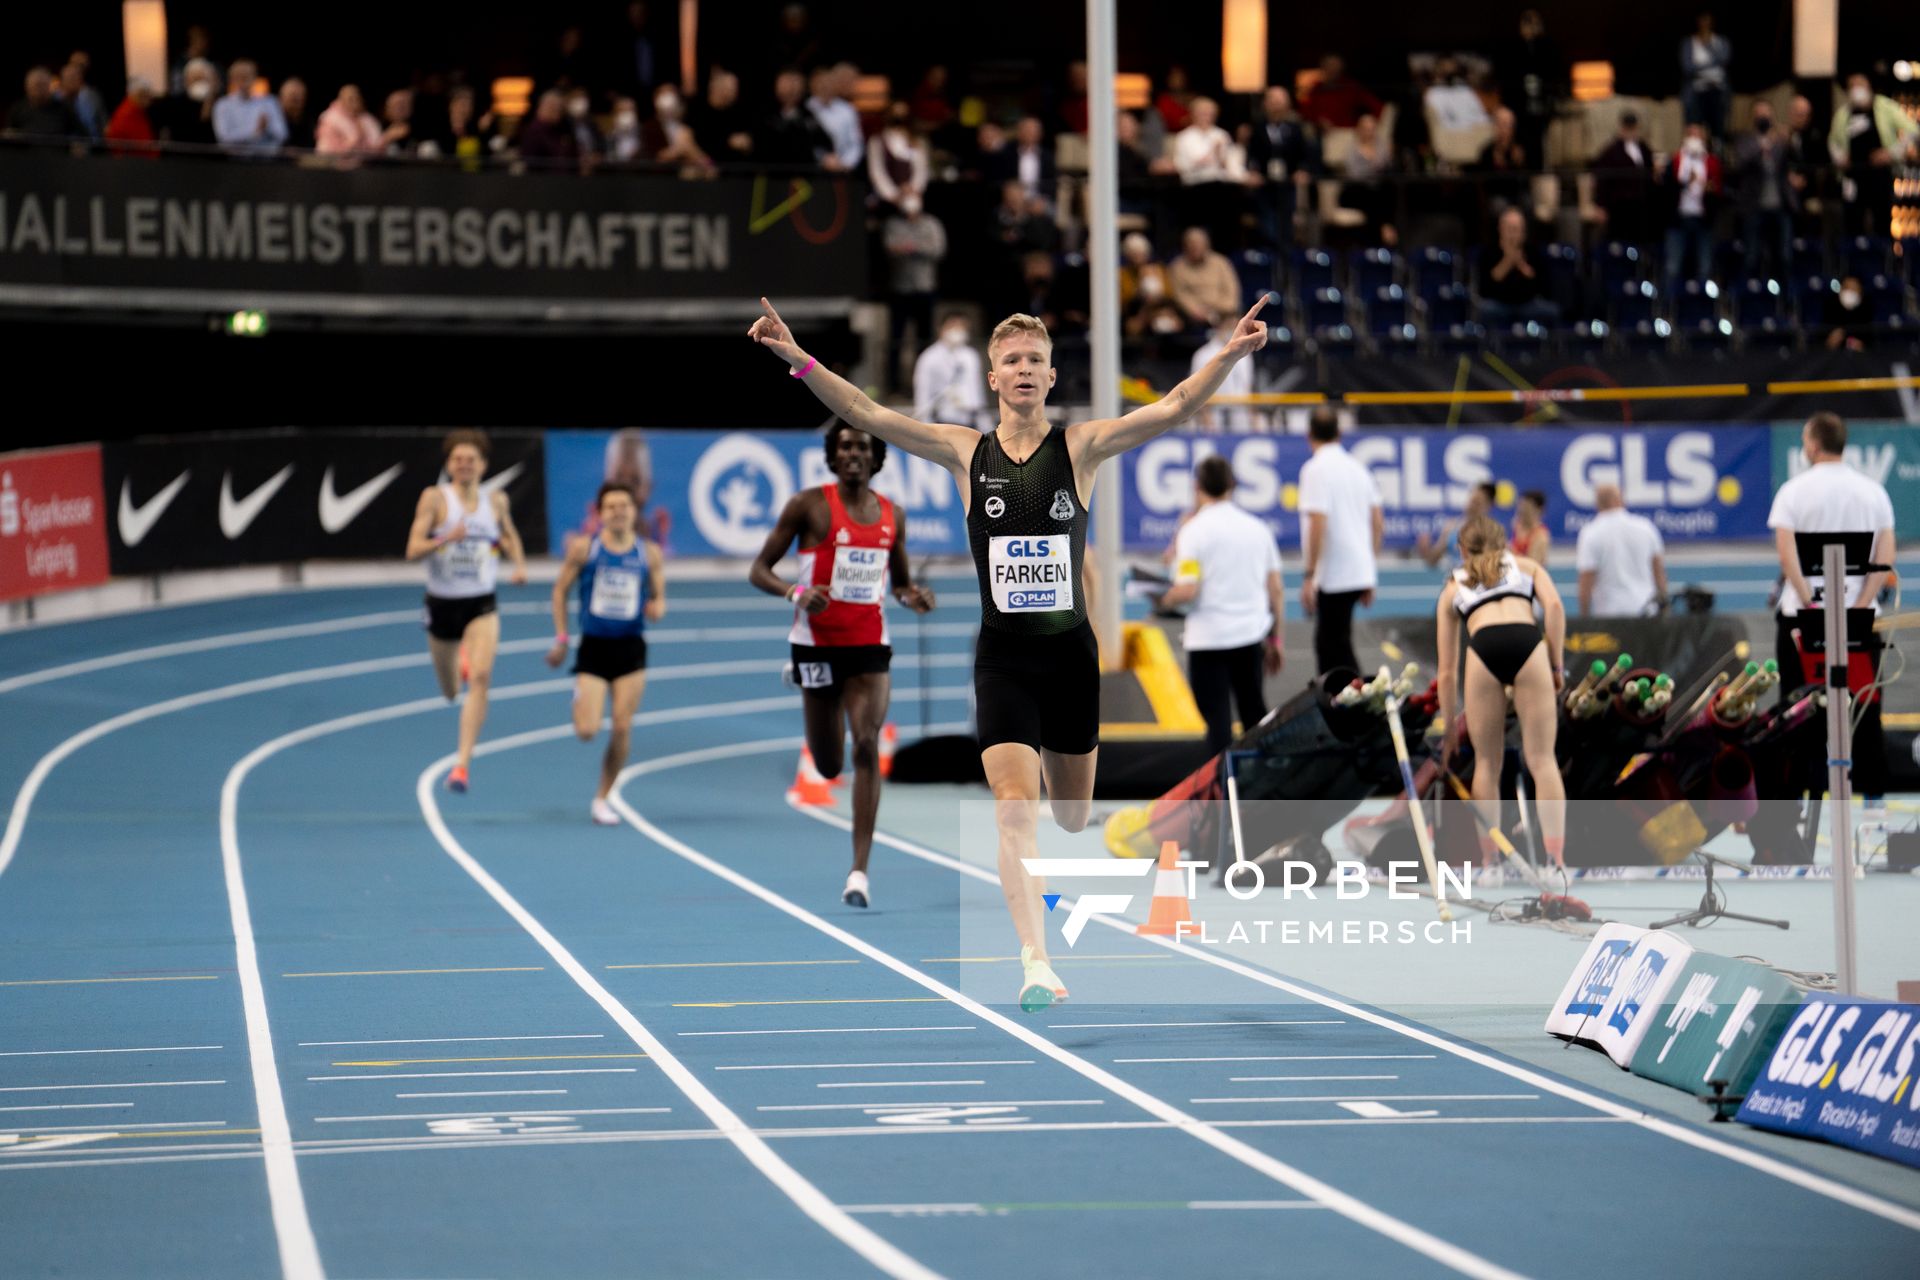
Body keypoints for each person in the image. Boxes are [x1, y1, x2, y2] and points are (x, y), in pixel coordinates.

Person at [748, 294, 1271, 1009]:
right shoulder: (967, 452)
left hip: (1070, 660)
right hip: (1003, 661)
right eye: (1011, 361)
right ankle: (1035, 959)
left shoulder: (1080, 448)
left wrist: (1231, 354)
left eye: (1035, 360)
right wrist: (795, 355)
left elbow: (1176, 404)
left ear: (1051, 377)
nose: (1024, 369)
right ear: (992, 379)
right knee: (1012, 809)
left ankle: (1050, 896)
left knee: (1071, 816)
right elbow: (870, 415)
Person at [749, 423, 936, 908]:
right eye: (846, 446)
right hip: (815, 645)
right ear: (833, 456)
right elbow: (759, 569)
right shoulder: (808, 505)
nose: (854, 452)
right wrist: (795, 592)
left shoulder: (894, 515)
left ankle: (859, 871)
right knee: (829, 763)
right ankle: (805, 682)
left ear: (877, 459)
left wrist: (911, 597)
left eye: (863, 447)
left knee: (867, 741)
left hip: (869, 646)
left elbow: (898, 583)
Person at [1769, 411, 1895, 800]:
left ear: (1812, 444)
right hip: (1860, 622)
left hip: (1800, 622)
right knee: (1865, 709)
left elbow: (1787, 557)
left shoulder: (1793, 490)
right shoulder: (1874, 492)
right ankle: (1873, 800)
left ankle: (1792, 804)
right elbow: (1885, 557)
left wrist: (1811, 604)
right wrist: (1857, 605)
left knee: (1796, 711)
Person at [1437, 514, 1568, 877]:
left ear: (1462, 550)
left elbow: (1447, 672)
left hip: (1484, 648)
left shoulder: (1453, 586)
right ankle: (1555, 864)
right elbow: (1555, 608)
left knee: (1486, 763)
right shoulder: (1526, 566)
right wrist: (1556, 666)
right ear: (1504, 543)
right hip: (1528, 642)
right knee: (1542, 760)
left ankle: (1490, 864)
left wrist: (1449, 728)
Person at [404, 430, 529, 793]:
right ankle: (458, 659)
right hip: (442, 604)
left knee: (482, 677)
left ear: (484, 466)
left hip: (481, 602)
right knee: (449, 692)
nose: (464, 465)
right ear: (449, 465)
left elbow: (509, 535)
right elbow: (412, 549)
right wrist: (445, 538)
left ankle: (461, 766)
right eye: (458, 459)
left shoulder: (497, 501)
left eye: (471, 459)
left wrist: (518, 564)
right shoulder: (434, 499)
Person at [547, 482, 666, 825]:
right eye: (610, 506)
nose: (618, 511)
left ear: (633, 511)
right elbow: (559, 592)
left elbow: (659, 594)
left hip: (631, 648)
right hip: (594, 648)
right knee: (586, 731)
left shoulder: (649, 553)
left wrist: (657, 606)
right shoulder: (586, 549)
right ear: (600, 513)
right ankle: (579, 698)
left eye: (623, 506)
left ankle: (602, 798)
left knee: (622, 726)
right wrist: (561, 637)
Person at [1157, 456, 1284, 753]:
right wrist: (1276, 639)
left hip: (1208, 641)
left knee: (1218, 724)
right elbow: (1276, 590)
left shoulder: (1194, 530)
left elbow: (1186, 590)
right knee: (1254, 715)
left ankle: (1225, 794)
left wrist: (1161, 598)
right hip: (1250, 637)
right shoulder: (1258, 528)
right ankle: (1265, 789)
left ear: (1196, 487)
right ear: (1233, 485)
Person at [1298, 407, 1383, 676]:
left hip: (1335, 573)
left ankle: (1357, 705)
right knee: (1335, 642)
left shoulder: (1314, 469)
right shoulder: (1358, 469)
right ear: (1340, 433)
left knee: (1332, 648)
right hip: (1356, 569)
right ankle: (1348, 703)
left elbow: (1318, 523)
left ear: (1309, 435)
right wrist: (1369, 570)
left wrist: (1310, 575)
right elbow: (1378, 521)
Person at [1829, 73, 1920, 238]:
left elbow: (1913, 130)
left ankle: (1885, 261)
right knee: (1853, 223)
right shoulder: (1843, 113)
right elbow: (1833, 141)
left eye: (1860, 84)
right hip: (1853, 177)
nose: (1856, 89)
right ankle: (1854, 261)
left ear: (1869, 86)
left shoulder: (1884, 106)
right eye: (1852, 86)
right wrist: (1840, 158)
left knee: (1882, 222)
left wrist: (1891, 153)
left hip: (1880, 175)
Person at [1575, 484, 1666, 616]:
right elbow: (1659, 572)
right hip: (1646, 608)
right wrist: (1664, 606)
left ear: (1597, 504)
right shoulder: (1646, 527)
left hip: (1610, 612)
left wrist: (1584, 616)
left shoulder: (1590, 533)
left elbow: (1586, 580)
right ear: (1621, 500)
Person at [1665, 124, 1722, 293]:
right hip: (1678, 219)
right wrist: (1685, 183)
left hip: (1703, 220)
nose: (1694, 139)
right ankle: (1670, 308)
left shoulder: (1711, 162)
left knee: (1705, 266)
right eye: (1691, 134)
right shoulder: (1675, 160)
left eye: (1698, 135)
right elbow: (1667, 190)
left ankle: (1703, 307)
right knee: (1673, 267)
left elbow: (1718, 189)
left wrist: (1709, 189)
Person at [1479, 207, 1559, 327]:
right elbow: (1485, 289)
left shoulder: (1532, 251)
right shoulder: (1489, 252)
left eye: (1517, 230)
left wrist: (1522, 265)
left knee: (1551, 311)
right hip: (1499, 303)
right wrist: (1508, 261)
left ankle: (1546, 345)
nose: (1513, 235)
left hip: (1527, 303)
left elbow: (1543, 287)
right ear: (1500, 229)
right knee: (1486, 310)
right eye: (1510, 229)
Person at [913, 313, 987, 428]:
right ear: (941, 329)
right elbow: (922, 393)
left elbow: (976, 390)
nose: (957, 330)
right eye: (952, 326)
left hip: (969, 420)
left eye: (962, 327)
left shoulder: (971, 355)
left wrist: (983, 423)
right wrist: (926, 426)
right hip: (942, 420)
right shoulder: (929, 357)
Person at [1680, 11, 1731, 139]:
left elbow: (1724, 59)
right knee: (1695, 127)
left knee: (1717, 128)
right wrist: (1712, 64)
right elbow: (1687, 67)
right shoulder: (1689, 42)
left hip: (1717, 90)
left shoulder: (1720, 41)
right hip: (1696, 92)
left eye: (1707, 20)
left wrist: (1707, 48)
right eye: (1702, 20)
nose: (1705, 24)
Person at [1511, 489, 1552, 563]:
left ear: (1538, 510)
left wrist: (1510, 552)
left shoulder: (1541, 536)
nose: (1522, 512)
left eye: (1527, 509)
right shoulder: (1517, 526)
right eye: (1520, 508)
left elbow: (1532, 565)